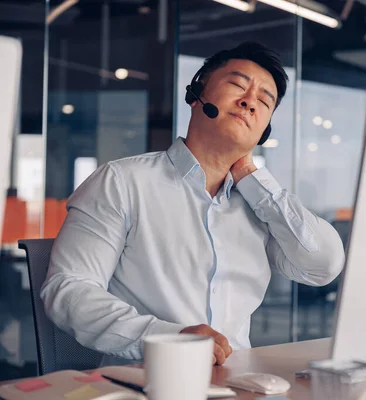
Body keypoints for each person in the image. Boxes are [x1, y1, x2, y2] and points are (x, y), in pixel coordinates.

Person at [40, 42, 345, 367]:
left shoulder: (261, 208)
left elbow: (322, 265)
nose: (249, 102)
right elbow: (68, 289)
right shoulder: (121, 182)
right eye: (237, 85)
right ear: (196, 94)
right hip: (149, 382)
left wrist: (254, 178)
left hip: (236, 383)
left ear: (264, 131)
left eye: (264, 101)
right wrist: (167, 338)